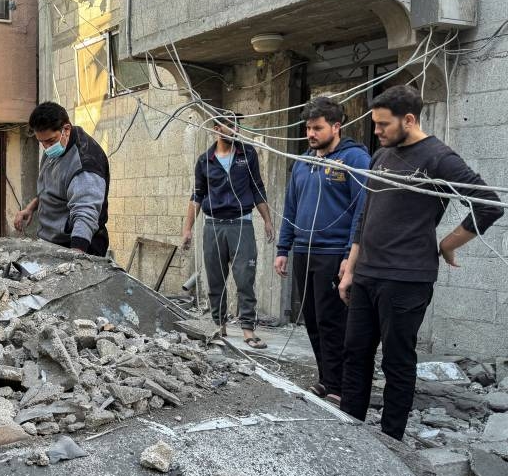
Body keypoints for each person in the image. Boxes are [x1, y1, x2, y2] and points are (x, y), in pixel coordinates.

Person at [339, 84, 504, 441]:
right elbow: (366, 215)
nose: (377, 131)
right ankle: (349, 432)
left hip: (406, 279)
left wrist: (448, 242)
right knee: (354, 354)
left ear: (408, 119)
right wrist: (350, 267)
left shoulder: (438, 158)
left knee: (396, 361)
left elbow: (490, 204)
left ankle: (391, 441)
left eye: (383, 125)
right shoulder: (381, 155)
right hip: (367, 272)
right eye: (375, 124)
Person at [274, 97, 370, 403]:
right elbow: (290, 207)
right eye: (308, 128)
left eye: (317, 128)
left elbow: (362, 210)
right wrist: (283, 248)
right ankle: (326, 379)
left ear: (336, 126)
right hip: (304, 251)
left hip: (333, 253)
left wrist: (347, 257)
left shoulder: (355, 159)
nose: (311, 134)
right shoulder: (304, 163)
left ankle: (341, 386)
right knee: (313, 320)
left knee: (333, 322)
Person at [181, 113, 274, 348]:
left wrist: (267, 220)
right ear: (217, 129)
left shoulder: (247, 154)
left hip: (241, 224)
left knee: (245, 278)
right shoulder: (205, 160)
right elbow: (197, 196)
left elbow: (257, 187)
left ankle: (247, 330)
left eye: (236, 126)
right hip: (213, 226)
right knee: (216, 280)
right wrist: (188, 229)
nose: (234, 130)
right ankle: (218, 325)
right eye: (229, 126)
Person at [13, 102, 110, 255]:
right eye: (41, 142)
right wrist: (30, 208)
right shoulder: (56, 149)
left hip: (78, 244)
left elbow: (85, 215)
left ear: (66, 129)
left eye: (50, 141)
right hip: (52, 241)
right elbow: (52, 187)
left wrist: (75, 257)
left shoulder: (85, 164)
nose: (46, 147)